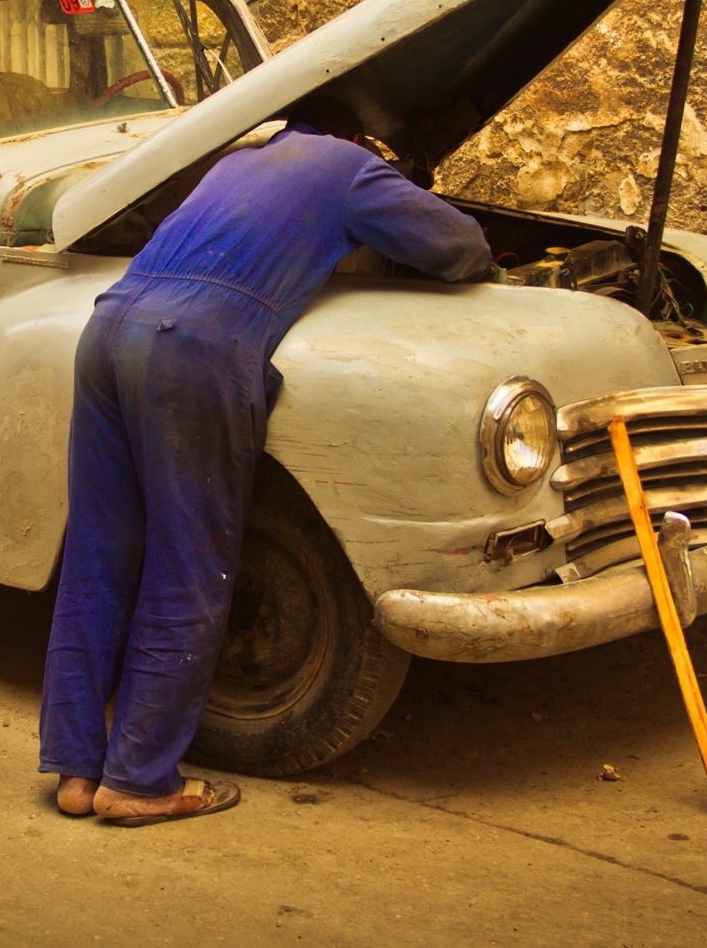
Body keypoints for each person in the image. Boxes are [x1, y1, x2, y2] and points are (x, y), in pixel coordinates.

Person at [39, 92, 492, 826]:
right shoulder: (349, 167)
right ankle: (140, 780)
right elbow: (461, 248)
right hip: (193, 348)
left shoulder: (234, 163)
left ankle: (75, 769)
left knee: (100, 555)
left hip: (108, 331)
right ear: (357, 130)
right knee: (189, 566)